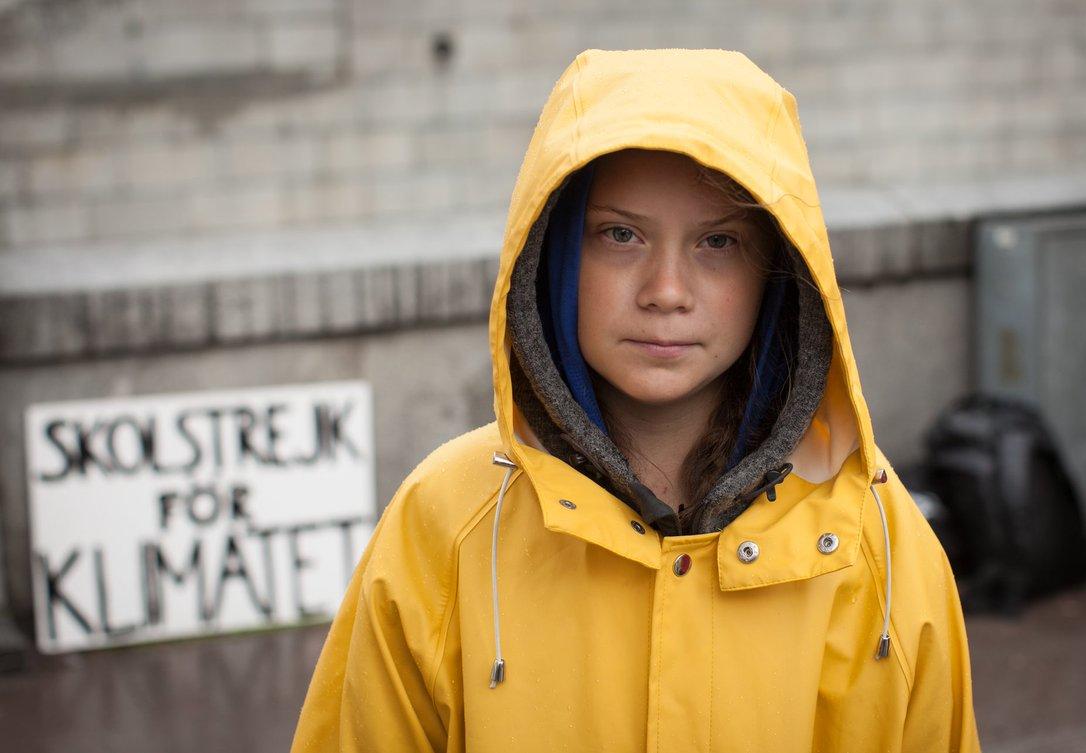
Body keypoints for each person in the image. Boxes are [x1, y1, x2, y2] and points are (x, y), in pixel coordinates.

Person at [291, 48, 980, 752]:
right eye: (621, 235)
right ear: (555, 253)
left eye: (718, 242)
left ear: (776, 272)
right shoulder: (446, 521)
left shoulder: (874, 535)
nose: (666, 291)